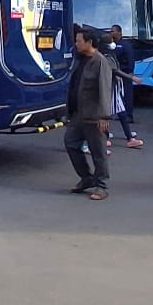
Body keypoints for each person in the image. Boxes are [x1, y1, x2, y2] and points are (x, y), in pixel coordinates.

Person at [62, 28, 114, 200]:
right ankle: (86, 178)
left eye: (79, 41)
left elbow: (105, 89)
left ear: (89, 42)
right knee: (70, 142)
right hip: (78, 113)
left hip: (94, 115)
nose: (76, 44)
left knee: (98, 151)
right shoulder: (80, 60)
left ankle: (101, 186)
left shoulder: (100, 62)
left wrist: (104, 116)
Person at [105, 25, 143, 148]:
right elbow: (115, 70)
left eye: (113, 32)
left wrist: (130, 74)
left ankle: (122, 136)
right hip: (110, 85)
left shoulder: (117, 49)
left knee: (117, 109)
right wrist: (131, 77)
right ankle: (107, 137)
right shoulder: (107, 55)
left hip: (113, 84)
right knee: (110, 111)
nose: (112, 36)